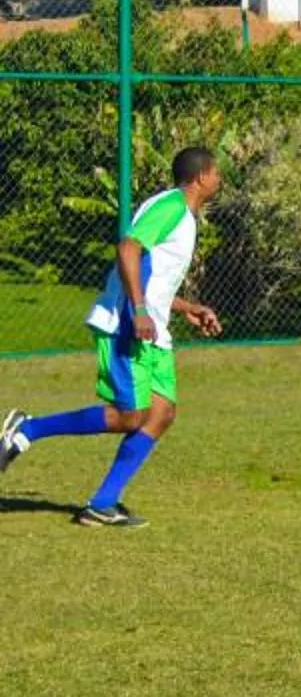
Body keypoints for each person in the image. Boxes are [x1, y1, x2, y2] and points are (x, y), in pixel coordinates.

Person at [0, 146, 226, 528]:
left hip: (152, 326)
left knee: (161, 413)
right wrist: (137, 311)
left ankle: (102, 503)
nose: (220, 179)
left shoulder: (183, 216)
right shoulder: (171, 207)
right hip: (127, 323)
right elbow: (128, 249)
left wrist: (188, 308)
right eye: (217, 172)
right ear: (201, 176)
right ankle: (27, 430)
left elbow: (151, 278)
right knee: (130, 416)